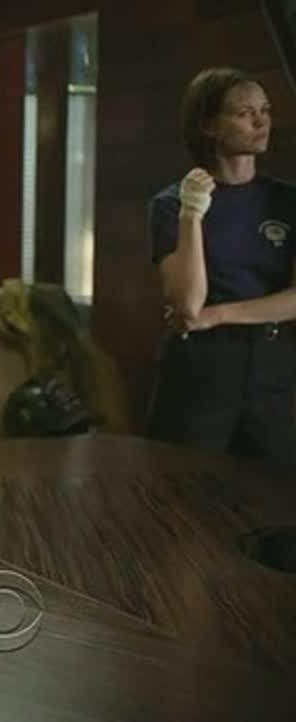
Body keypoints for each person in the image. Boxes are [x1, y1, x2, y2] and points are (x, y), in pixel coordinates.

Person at [148, 67, 296, 466]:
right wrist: (192, 213)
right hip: (202, 364)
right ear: (209, 125)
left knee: (275, 489)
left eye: (265, 110)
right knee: (184, 482)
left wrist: (217, 314)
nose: (261, 121)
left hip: (272, 362)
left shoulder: (287, 201)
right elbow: (186, 305)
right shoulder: (170, 204)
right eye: (245, 113)